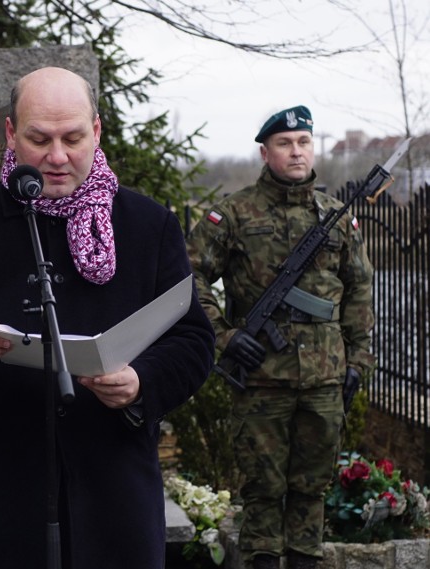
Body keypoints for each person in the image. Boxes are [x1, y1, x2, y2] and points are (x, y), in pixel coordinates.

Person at [0, 66, 215, 568]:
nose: (56, 156)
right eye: (38, 139)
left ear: (96, 130)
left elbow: (193, 338)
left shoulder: (148, 225)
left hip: (113, 495)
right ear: (10, 133)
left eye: (72, 138)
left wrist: (141, 382)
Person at [186, 105, 374, 569]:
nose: (296, 152)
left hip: (325, 379)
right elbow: (186, 277)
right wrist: (224, 337)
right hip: (261, 378)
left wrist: (358, 362)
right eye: (285, 143)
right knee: (263, 491)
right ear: (265, 152)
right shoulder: (231, 214)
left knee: (312, 488)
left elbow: (359, 291)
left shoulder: (335, 217)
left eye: (303, 142)